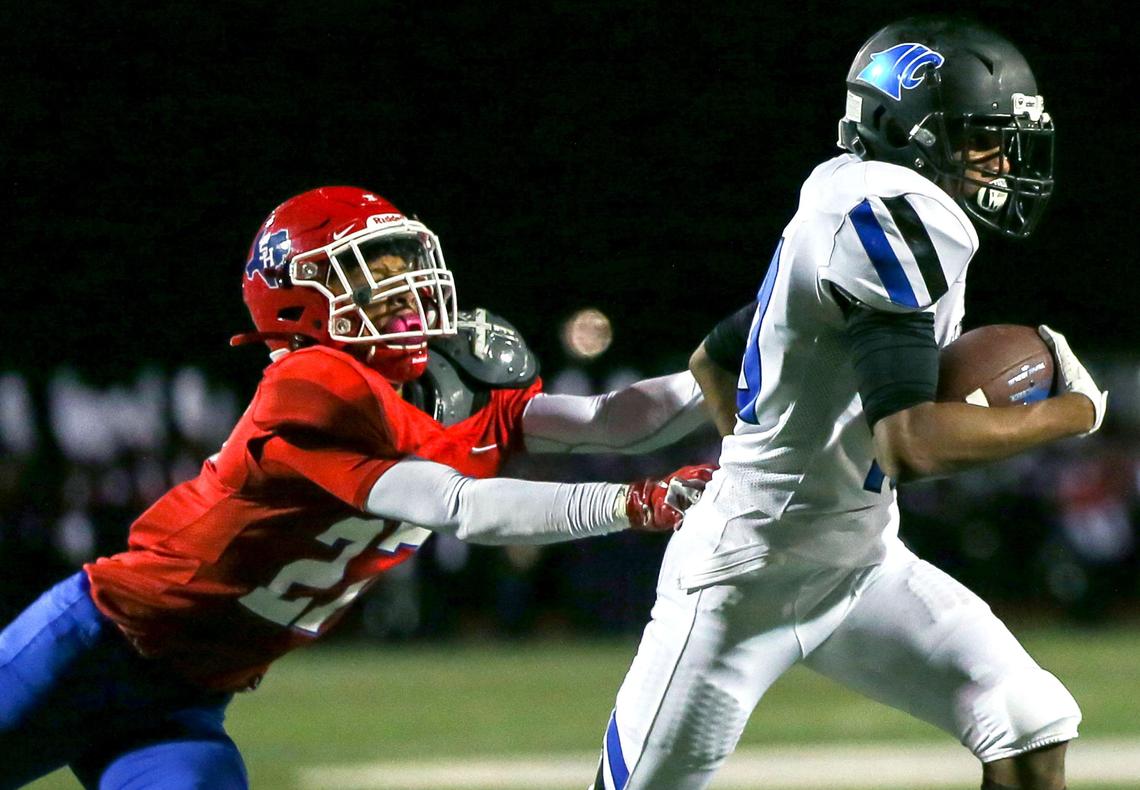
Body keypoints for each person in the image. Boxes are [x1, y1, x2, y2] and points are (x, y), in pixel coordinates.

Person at [0, 185, 716, 789]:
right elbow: (457, 505)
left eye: (405, 265)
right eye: (369, 274)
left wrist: (753, 350)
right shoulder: (313, 384)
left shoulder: (445, 384)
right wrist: (634, 502)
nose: (404, 290)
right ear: (297, 301)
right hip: (93, 647)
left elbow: (609, 419)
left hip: (190, 699)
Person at [591, 16, 1107, 790]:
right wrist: (1075, 411)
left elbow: (714, 357)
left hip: (859, 565)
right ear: (909, 135)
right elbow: (913, 445)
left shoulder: (845, 199)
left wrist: (762, 471)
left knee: (1031, 722)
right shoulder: (891, 212)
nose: (999, 159)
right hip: (744, 585)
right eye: (977, 139)